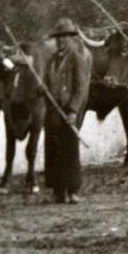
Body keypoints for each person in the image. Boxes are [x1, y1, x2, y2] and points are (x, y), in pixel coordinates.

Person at [43, 17, 92, 204]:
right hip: (53, 110)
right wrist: (42, 88)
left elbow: (81, 87)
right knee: (54, 149)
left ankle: (72, 190)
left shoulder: (77, 59)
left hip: (68, 110)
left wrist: (73, 110)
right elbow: (46, 82)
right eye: (58, 37)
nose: (61, 40)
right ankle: (58, 190)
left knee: (69, 149)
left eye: (64, 37)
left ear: (71, 38)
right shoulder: (51, 60)